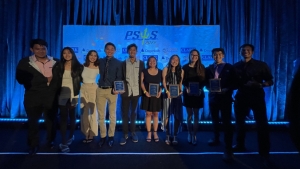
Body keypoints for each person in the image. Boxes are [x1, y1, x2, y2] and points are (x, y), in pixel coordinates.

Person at [16, 39, 61, 155]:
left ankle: (50, 141)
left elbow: (61, 79)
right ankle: (33, 145)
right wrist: (43, 80)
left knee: (51, 121)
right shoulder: (25, 62)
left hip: (51, 97)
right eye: (37, 48)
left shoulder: (56, 61)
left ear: (47, 48)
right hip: (33, 96)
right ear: (32, 49)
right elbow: (20, 79)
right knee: (33, 122)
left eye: (43, 48)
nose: (41, 51)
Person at [232, 44, 273, 166]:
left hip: (257, 97)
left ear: (253, 52)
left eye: (248, 50)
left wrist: (260, 85)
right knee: (239, 123)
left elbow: (271, 81)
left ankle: (264, 152)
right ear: (240, 52)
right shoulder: (235, 66)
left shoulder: (261, 65)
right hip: (241, 97)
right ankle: (240, 145)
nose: (246, 52)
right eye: (243, 50)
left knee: (262, 125)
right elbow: (233, 83)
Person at [205, 48, 236, 162]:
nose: (217, 56)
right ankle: (216, 138)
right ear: (212, 56)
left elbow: (235, 82)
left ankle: (228, 148)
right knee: (214, 120)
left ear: (223, 55)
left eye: (219, 54)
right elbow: (206, 82)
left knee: (226, 122)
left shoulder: (230, 67)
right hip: (213, 98)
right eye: (214, 54)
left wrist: (227, 89)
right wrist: (208, 87)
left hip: (225, 98)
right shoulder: (209, 68)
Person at [96, 42, 122, 148]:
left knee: (112, 115)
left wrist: (117, 89)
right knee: (101, 115)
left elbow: (119, 77)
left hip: (112, 91)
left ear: (115, 51)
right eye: (107, 49)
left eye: (112, 49)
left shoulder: (118, 63)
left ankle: (111, 136)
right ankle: (102, 136)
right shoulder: (100, 61)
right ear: (104, 50)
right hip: (100, 90)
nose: (109, 50)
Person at [58, 47, 83, 153]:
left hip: (73, 95)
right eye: (64, 53)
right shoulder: (58, 65)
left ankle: (71, 136)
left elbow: (80, 83)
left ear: (72, 54)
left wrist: (75, 98)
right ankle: (63, 142)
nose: (67, 54)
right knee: (63, 118)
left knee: (72, 117)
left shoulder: (79, 67)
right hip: (62, 94)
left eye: (69, 52)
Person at [119, 44, 145, 145]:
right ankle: (125, 134)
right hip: (125, 92)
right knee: (125, 113)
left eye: (134, 50)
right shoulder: (123, 63)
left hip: (136, 92)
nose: (132, 51)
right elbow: (120, 77)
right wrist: (120, 89)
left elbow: (143, 78)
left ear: (136, 51)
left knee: (133, 113)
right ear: (128, 51)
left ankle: (133, 132)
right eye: (130, 50)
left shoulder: (141, 63)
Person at [182, 49, 205, 145]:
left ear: (198, 56)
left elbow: (204, 81)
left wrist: (200, 88)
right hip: (188, 93)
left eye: (196, 55)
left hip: (198, 94)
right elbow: (182, 80)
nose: (194, 56)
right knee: (189, 115)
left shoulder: (202, 67)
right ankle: (189, 133)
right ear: (189, 56)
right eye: (192, 55)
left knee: (196, 115)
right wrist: (186, 87)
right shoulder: (185, 67)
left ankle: (194, 134)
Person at [162, 55, 184, 145]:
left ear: (178, 61)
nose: (174, 61)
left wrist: (181, 91)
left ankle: (175, 135)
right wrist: (167, 91)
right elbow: (163, 82)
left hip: (177, 96)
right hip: (167, 95)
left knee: (177, 116)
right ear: (170, 60)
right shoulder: (165, 69)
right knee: (166, 116)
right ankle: (167, 135)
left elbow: (180, 84)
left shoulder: (181, 71)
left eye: (177, 60)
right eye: (173, 59)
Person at [141, 56, 162, 142]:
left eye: (153, 61)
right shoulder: (144, 71)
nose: (152, 62)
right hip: (147, 95)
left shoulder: (160, 72)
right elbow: (141, 82)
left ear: (156, 62)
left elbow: (162, 84)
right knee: (148, 114)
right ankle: (149, 133)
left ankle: (155, 132)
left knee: (156, 114)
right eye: (150, 61)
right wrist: (145, 91)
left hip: (156, 96)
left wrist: (160, 91)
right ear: (148, 62)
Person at [80, 50, 100, 143]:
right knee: (84, 112)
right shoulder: (82, 66)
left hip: (93, 88)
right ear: (88, 56)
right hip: (83, 88)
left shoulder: (98, 67)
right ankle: (86, 133)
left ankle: (92, 133)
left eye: (95, 55)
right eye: (91, 55)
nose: (93, 57)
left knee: (93, 113)